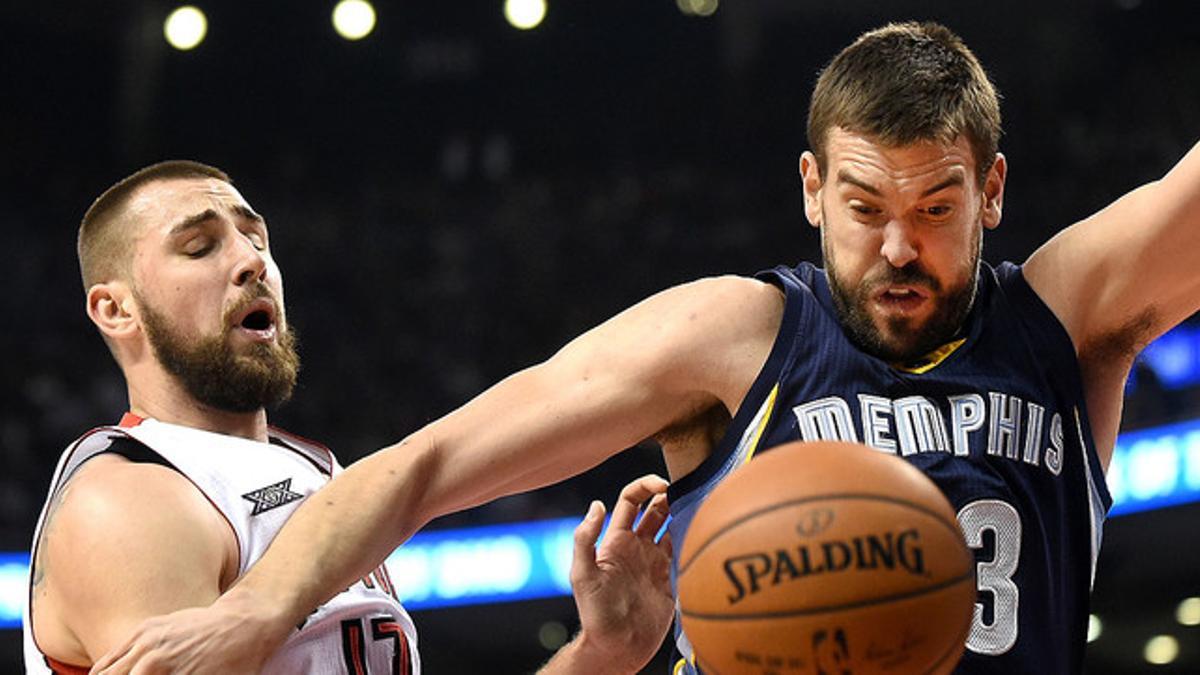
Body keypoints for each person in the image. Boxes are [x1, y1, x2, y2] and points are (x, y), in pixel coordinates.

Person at [93, 21, 1200, 673]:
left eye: (936, 208)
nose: (899, 247)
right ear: (811, 189)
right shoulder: (739, 331)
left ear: (993, 192)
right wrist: (253, 610)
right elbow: (425, 464)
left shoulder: (1065, 314)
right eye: (865, 208)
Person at [22, 161, 675, 674]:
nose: (253, 262)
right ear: (117, 310)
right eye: (199, 247)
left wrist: (599, 655)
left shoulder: (319, 471)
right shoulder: (129, 498)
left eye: (257, 238)